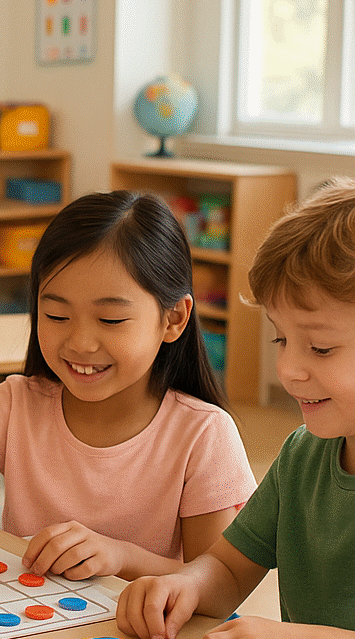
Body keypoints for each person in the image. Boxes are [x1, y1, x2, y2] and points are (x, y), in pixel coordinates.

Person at [0, 191, 257, 582]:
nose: (81, 343)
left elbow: (217, 581)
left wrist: (121, 557)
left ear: (173, 319)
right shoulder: (16, 404)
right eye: (56, 315)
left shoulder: (203, 434)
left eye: (110, 320)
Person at [117, 177, 355, 639]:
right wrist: (184, 585)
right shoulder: (302, 456)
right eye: (281, 339)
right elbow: (228, 569)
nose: (288, 370)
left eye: (320, 348)